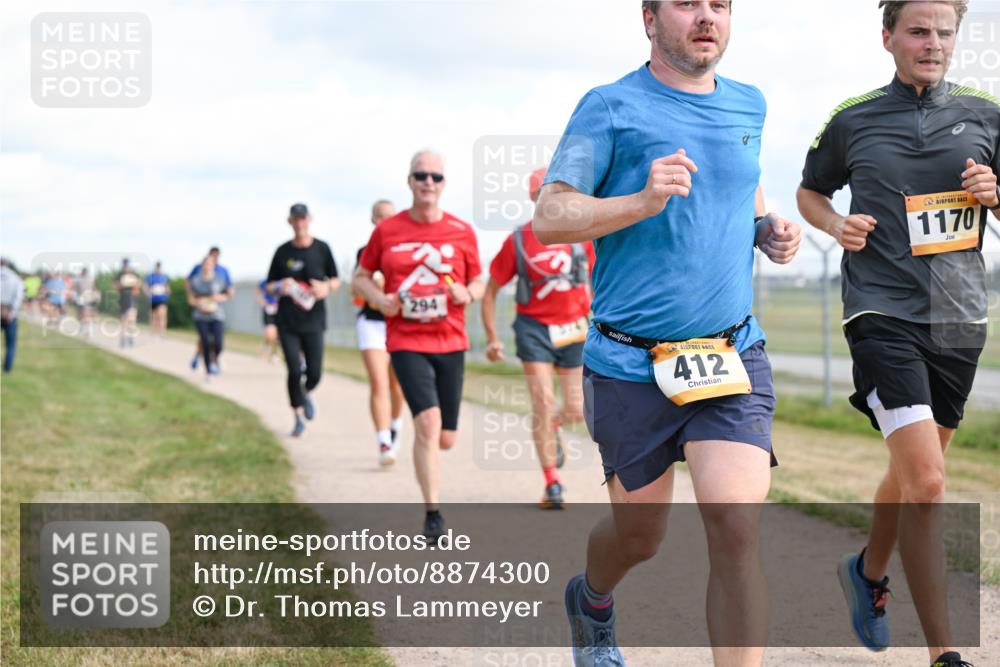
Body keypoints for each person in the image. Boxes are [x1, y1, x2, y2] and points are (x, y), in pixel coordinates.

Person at [533, 2, 802, 665]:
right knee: (641, 535)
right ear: (650, 19)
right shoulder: (609, 107)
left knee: (735, 526)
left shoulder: (750, 104)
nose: (706, 17)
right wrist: (640, 201)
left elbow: (745, 187)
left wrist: (767, 230)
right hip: (629, 363)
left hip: (728, 352)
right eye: (687, 3)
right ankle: (592, 597)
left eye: (720, 5)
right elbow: (551, 215)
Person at [797, 2, 996, 666]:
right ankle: (943, 650)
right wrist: (833, 226)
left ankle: (867, 572)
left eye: (944, 32)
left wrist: (995, 194)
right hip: (881, 312)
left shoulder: (987, 114)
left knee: (915, 472)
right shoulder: (853, 119)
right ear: (888, 38)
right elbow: (809, 192)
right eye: (918, 30)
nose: (933, 43)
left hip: (959, 317)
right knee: (931, 483)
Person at [355, 150, 484, 542]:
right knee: (426, 423)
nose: (428, 182)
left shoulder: (461, 231)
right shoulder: (388, 231)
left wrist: (468, 292)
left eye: (436, 177)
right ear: (409, 181)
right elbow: (360, 277)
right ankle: (433, 513)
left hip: (451, 340)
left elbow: (480, 280)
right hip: (406, 339)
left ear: (444, 185)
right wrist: (379, 300)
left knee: (446, 437)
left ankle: (434, 455)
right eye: (421, 175)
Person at [483, 166, 596, 509]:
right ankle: (552, 483)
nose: (550, 203)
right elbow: (490, 293)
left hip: (574, 328)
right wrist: (492, 337)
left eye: (560, 197)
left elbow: (600, 280)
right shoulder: (518, 240)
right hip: (534, 328)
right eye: (542, 196)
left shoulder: (583, 238)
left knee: (577, 408)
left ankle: (554, 426)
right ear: (534, 199)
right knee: (543, 403)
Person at [266, 203, 341, 437]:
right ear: (290, 222)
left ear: (310, 220)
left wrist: (326, 287)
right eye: (295, 219)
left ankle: (305, 392)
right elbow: (269, 285)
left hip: (314, 321)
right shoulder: (282, 252)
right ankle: (298, 416)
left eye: (303, 219)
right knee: (294, 370)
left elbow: (336, 279)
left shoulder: (322, 249)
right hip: (288, 322)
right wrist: (281, 286)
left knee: (315, 372)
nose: (300, 223)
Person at [354, 199, 406, 465]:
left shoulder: (406, 250)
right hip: (372, 324)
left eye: (389, 216)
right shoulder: (365, 252)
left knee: (397, 385)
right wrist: (376, 294)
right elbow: (361, 290)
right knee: (379, 383)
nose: (384, 221)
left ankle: (395, 423)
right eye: (379, 217)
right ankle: (384, 441)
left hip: (399, 325)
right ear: (373, 220)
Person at [186, 254, 233, 378]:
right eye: (205, 264)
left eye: (210, 264)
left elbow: (229, 293)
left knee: (218, 343)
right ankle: (208, 370)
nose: (207, 266)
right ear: (202, 265)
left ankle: (214, 359)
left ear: (214, 265)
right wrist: (198, 303)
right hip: (201, 316)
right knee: (205, 341)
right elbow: (190, 298)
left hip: (217, 315)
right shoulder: (196, 280)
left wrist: (221, 297)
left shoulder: (220, 279)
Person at [1, 258, 24, 373]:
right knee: (10, 345)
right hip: (9, 313)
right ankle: (7, 368)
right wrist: (12, 312)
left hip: (6, 310)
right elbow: (18, 297)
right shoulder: (15, 278)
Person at [114, 258, 141, 347]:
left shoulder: (134, 274)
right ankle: (123, 338)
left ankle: (131, 336)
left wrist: (133, 284)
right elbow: (115, 285)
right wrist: (122, 284)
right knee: (123, 320)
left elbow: (139, 286)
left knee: (131, 318)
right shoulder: (119, 275)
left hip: (132, 299)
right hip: (123, 300)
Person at [256, 278, 280, 362]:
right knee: (270, 333)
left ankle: (275, 354)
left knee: (278, 334)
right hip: (268, 309)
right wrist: (262, 302)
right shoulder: (266, 281)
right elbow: (258, 290)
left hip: (279, 310)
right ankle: (265, 346)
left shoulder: (282, 281)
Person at [144, 261, 171, 337]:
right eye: (157, 266)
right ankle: (153, 332)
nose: (158, 268)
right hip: (152, 299)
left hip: (162, 299)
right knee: (153, 316)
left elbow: (167, 288)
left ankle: (163, 332)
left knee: (162, 315)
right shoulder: (150, 276)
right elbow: (145, 287)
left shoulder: (164, 277)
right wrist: (148, 293)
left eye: (159, 267)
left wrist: (167, 293)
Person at [72, 267, 98, 338]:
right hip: (82, 298)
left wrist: (95, 295)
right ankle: (83, 327)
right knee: (81, 313)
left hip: (88, 299)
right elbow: (76, 289)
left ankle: (88, 330)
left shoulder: (90, 280)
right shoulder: (79, 280)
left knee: (86, 314)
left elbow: (94, 288)